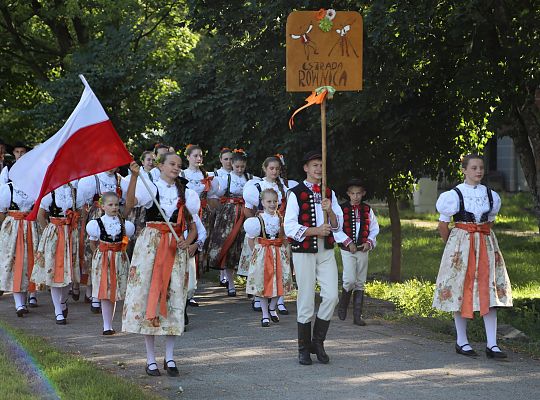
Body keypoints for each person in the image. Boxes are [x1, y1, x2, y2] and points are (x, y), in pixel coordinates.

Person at [122, 153, 200, 377]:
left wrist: (189, 239)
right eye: (172, 164)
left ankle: (170, 356)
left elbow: (193, 225)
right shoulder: (151, 187)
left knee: (174, 298)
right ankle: (150, 359)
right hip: (152, 246)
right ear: (161, 166)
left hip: (175, 247)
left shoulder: (186, 193)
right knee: (151, 297)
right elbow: (128, 207)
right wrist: (135, 177)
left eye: (179, 165)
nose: (176, 168)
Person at [433, 154, 512, 359]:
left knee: (489, 289)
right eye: (474, 168)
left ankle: (492, 344)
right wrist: (454, 246)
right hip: (461, 245)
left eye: (481, 168)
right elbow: (443, 225)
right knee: (461, 289)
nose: (479, 171)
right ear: (464, 170)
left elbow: (490, 221)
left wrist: (480, 234)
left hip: (485, 244)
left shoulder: (490, 195)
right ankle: (462, 341)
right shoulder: (453, 195)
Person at [284, 150, 342, 365]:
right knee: (306, 297)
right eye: (314, 165)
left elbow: (337, 225)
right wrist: (314, 230)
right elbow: (289, 226)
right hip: (304, 251)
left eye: (321, 165)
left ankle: (318, 341)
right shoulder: (295, 192)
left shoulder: (329, 192)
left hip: (326, 251)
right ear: (306, 168)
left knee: (331, 296)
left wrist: (331, 211)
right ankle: (303, 348)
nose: (318, 169)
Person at [239, 155, 295, 313]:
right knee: (261, 267)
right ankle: (258, 298)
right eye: (271, 168)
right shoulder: (256, 186)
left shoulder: (284, 186)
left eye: (277, 168)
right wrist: (258, 225)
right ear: (264, 168)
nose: (274, 171)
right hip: (261, 231)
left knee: (280, 267)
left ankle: (280, 301)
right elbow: (247, 208)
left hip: (279, 230)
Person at [77, 169, 129, 312]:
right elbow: (84, 204)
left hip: (115, 219)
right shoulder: (93, 178)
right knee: (93, 256)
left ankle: (107, 293)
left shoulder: (120, 180)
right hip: (97, 217)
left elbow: (125, 202)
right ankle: (93, 294)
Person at [32, 182, 82, 324]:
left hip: (70, 234)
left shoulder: (75, 192)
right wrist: (48, 231)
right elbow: (40, 216)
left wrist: (73, 221)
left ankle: (63, 301)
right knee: (54, 272)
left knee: (69, 272)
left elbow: (80, 213)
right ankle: (57, 311)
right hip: (54, 235)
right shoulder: (50, 192)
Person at [86, 192, 135, 335]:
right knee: (106, 292)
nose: (114, 207)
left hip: (120, 259)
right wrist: (100, 254)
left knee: (121, 291)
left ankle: (128, 322)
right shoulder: (96, 224)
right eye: (110, 205)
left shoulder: (126, 224)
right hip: (104, 260)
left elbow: (126, 241)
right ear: (102, 206)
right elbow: (93, 243)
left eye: (116, 204)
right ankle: (107, 325)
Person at [244, 188, 293, 327]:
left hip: (278, 253)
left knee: (280, 282)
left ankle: (272, 307)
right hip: (263, 254)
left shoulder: (281, 218)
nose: (272, 204)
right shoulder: (258, 219)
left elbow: (284, 238)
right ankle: (265, 314)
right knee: (262, 284)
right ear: (263, 203)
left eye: (275, 201)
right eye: (269, 201)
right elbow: (251, 238)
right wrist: (256, 253)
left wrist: (285, 251)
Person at [207, 149, 252, 296]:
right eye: (237, 166)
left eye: (242, 167)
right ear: (231, 164)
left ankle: (251, 284)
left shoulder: (250, 178)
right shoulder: (225, 179)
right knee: (229, 246)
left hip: (246, 214)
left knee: (247, 246)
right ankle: (230, 283)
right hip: (230, 216)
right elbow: (215, 195)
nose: (239, 169)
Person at [336, 179, 379, 326]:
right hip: (347, 250)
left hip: (362, 250)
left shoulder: (367, 210)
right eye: (352, 193)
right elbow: (337, 229)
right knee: (349, 279)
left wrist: (369, 241)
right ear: (348, 194)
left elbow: (374, 228)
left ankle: (357, 316)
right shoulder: (341, 209)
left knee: (360, 281)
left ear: (363, 194)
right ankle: (342, 305)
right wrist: (348, 242)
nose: (355, 196)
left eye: (358, 193)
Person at [0, 181, 40, 317]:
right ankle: (19, 303)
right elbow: (2, 212)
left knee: (27, 263)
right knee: (16, 264)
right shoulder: (8, 188)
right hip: (13, 230)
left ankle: (24, 300)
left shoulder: (35, 187)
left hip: (30, 228)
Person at [182, 144, 214, 279]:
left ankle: (197, 275)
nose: (198, 158)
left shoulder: (206, 175)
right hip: (187, 212)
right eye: (195, 156)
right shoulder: (182, 174)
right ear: (188, 157)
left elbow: (212, 195)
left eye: (200, 156)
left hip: (203, 211)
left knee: (202, 236)